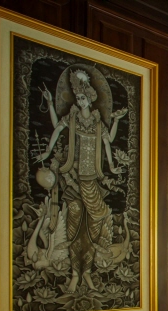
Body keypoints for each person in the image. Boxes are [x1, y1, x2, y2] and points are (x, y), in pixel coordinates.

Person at [36, 69, 127, 293]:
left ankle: (86, 271)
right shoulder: (73, 119)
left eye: (83, 97)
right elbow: (57, 128)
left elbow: (108, 141)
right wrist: (50, 105)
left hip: (92, 181)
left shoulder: (97, 123)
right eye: (77, 98)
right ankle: (76, 274)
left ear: (90, 98)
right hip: (74, 178)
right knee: (74, 227)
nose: (80, 101)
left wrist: (111, 165)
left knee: (93, 230)